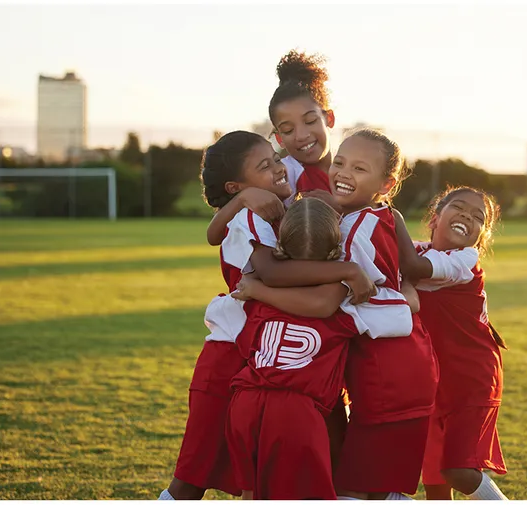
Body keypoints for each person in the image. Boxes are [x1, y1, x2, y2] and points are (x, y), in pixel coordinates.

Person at [159, 131, 373, 500]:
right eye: (266, 165)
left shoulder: (270, 208)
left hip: (272, 358)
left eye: (275, 158)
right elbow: (271, 273)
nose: (279, 167)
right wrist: (348, 272)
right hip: (235, 361)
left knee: (271, 479)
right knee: (193, 478)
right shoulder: (249, 215)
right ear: (236, 185)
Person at [328, 129, 439, 500]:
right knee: (383, 485)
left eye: (359, 168)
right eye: (339, 162)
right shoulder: (384, 214)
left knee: (353, 490)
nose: (343, 172)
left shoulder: (352, 227)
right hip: (409, 357)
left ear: (386, 183)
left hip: (386, 367)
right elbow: (408, 272)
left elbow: (342, 298)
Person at [224, 197, 359, 500]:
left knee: (253, 494)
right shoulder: (339, 297)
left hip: (245, 402)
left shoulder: (261, 293)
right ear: (337, 250)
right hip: (295, 411)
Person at [400, 186, 509, 500]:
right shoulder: (418, 250)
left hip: (472, 380)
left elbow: (413, 268)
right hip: (435, 382)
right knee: (435, 483)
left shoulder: (464, 260)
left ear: (480, 237)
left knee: (457, 471)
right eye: (459, 207)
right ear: (435, 219)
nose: (467, 216)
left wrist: (389, 217)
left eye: (478, 217)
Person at [205, 49, 337, 247]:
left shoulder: (352, 169)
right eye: (288, 129)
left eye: (310, 121)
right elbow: (214, 236)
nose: (301, 135)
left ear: (329, 119)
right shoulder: (284, 174)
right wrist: (244, 198)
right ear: (279, 138)